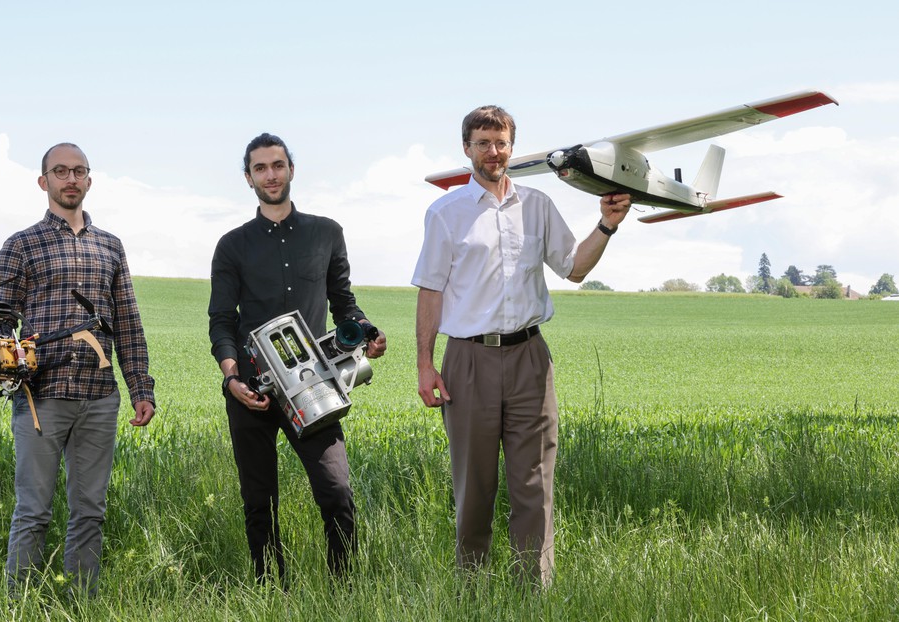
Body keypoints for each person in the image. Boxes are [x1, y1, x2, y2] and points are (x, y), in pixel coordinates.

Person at [412, 106, 631, 586]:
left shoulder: (537, 206)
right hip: (468, 359)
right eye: (483, 142)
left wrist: (608, 224)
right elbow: (430, 291)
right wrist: (425, 365)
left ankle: (532, 591)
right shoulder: (445, 213)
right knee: (475, 485)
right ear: (466, 148)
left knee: (534, 482)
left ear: (512, 146)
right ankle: (472, 588)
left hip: (531, 358)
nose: (494, 152)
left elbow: (574, 268)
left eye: (502, 142)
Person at [208, 132, 387, 584]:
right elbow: (221, 320)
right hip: (251, 389)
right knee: (259, 499)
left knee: (336, 491)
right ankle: (270, 591)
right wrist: (233, 379)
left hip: (313, 385)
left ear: (291, 169)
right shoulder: (232, 245)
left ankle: (341, 589)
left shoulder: (327, 233)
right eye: (261, 168)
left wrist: (367, 332)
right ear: (248, 178)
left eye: (278, 165)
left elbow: (344, 303)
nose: (271, 175)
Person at [0, 142, 156, 597]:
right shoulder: (21, 245)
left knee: (90, 510)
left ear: (89, 179)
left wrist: (141, 388)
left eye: (79, 171)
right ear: (44, 181)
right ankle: (20, 604)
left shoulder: (111, 246)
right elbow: (0, 324)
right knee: (33, 511)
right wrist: (0, 355)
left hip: (100, 398)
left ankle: (82, 603)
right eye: (60, 171)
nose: (71, 179)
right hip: (40, 397)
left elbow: (127, 323)